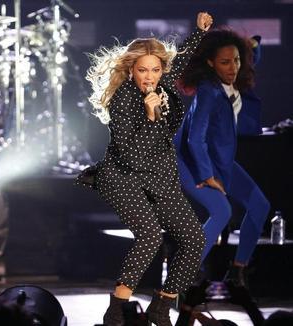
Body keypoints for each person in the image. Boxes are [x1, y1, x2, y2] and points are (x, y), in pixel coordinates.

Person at [76, 12, 213, 326]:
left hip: (160, 175)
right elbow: (133, 154)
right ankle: (116, 308)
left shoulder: (163, 79)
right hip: (123, 176)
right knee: (150, 236)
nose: (149, 77)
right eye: (142, 70)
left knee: (193, 238)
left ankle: (161, 307)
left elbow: (180, 58)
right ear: (130, 70)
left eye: (155, 69)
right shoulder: (122, 100)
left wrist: (199, 31)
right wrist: (152, 116)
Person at [174, 29, 270, 286]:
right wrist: (207, 176)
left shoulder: (233, 78)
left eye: (236, 60)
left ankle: (238, 272)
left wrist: (253, 45)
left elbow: (251, 56)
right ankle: (182, 276)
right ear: (210, 63)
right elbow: (195, 138)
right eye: (225, 62)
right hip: (190, 161)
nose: (233, 68)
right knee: (222, 211)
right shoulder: (209, 91)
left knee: (260, 206)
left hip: (218, 159)